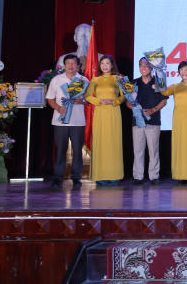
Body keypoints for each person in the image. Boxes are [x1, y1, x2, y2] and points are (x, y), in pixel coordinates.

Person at [46, 54, 88, 189]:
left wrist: (81, 101)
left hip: (77, 121)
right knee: (60, 150)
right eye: (68, 63)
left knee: (77, 151)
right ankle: (58, 178)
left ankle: (76, 178)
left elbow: (89, 99)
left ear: (78, 65)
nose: (71, 66)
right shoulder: (56, 80)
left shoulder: (83, 80)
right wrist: (58, 108)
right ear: (64, 65)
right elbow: (50, 98)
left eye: (73, 63)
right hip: (60, 121)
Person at [126, 57, 168, 185]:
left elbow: (164, 101)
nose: (143, 68)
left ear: (151, 67)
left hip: (153, 121)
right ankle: (138, 176)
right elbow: (128, 102)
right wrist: (136, 109)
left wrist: (153, 110)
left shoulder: (159, 82)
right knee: (138, 150)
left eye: (146, 65)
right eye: (141, 65)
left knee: (153, 150)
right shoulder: (133, 83)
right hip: (137, 122)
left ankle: (154, 176)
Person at [85, 55, 125, 185]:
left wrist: (115, 101)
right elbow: (87, 96)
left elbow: (124, 96)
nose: (105, 66)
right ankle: (100, 176)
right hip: (100, 113)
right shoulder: (95, 80)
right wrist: (99, 101)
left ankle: (114, 176)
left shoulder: (118, 78)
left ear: (112, 65)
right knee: (101, 143)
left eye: (107, 63)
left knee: (113, 142)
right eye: (102, 63)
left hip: (113, 112)